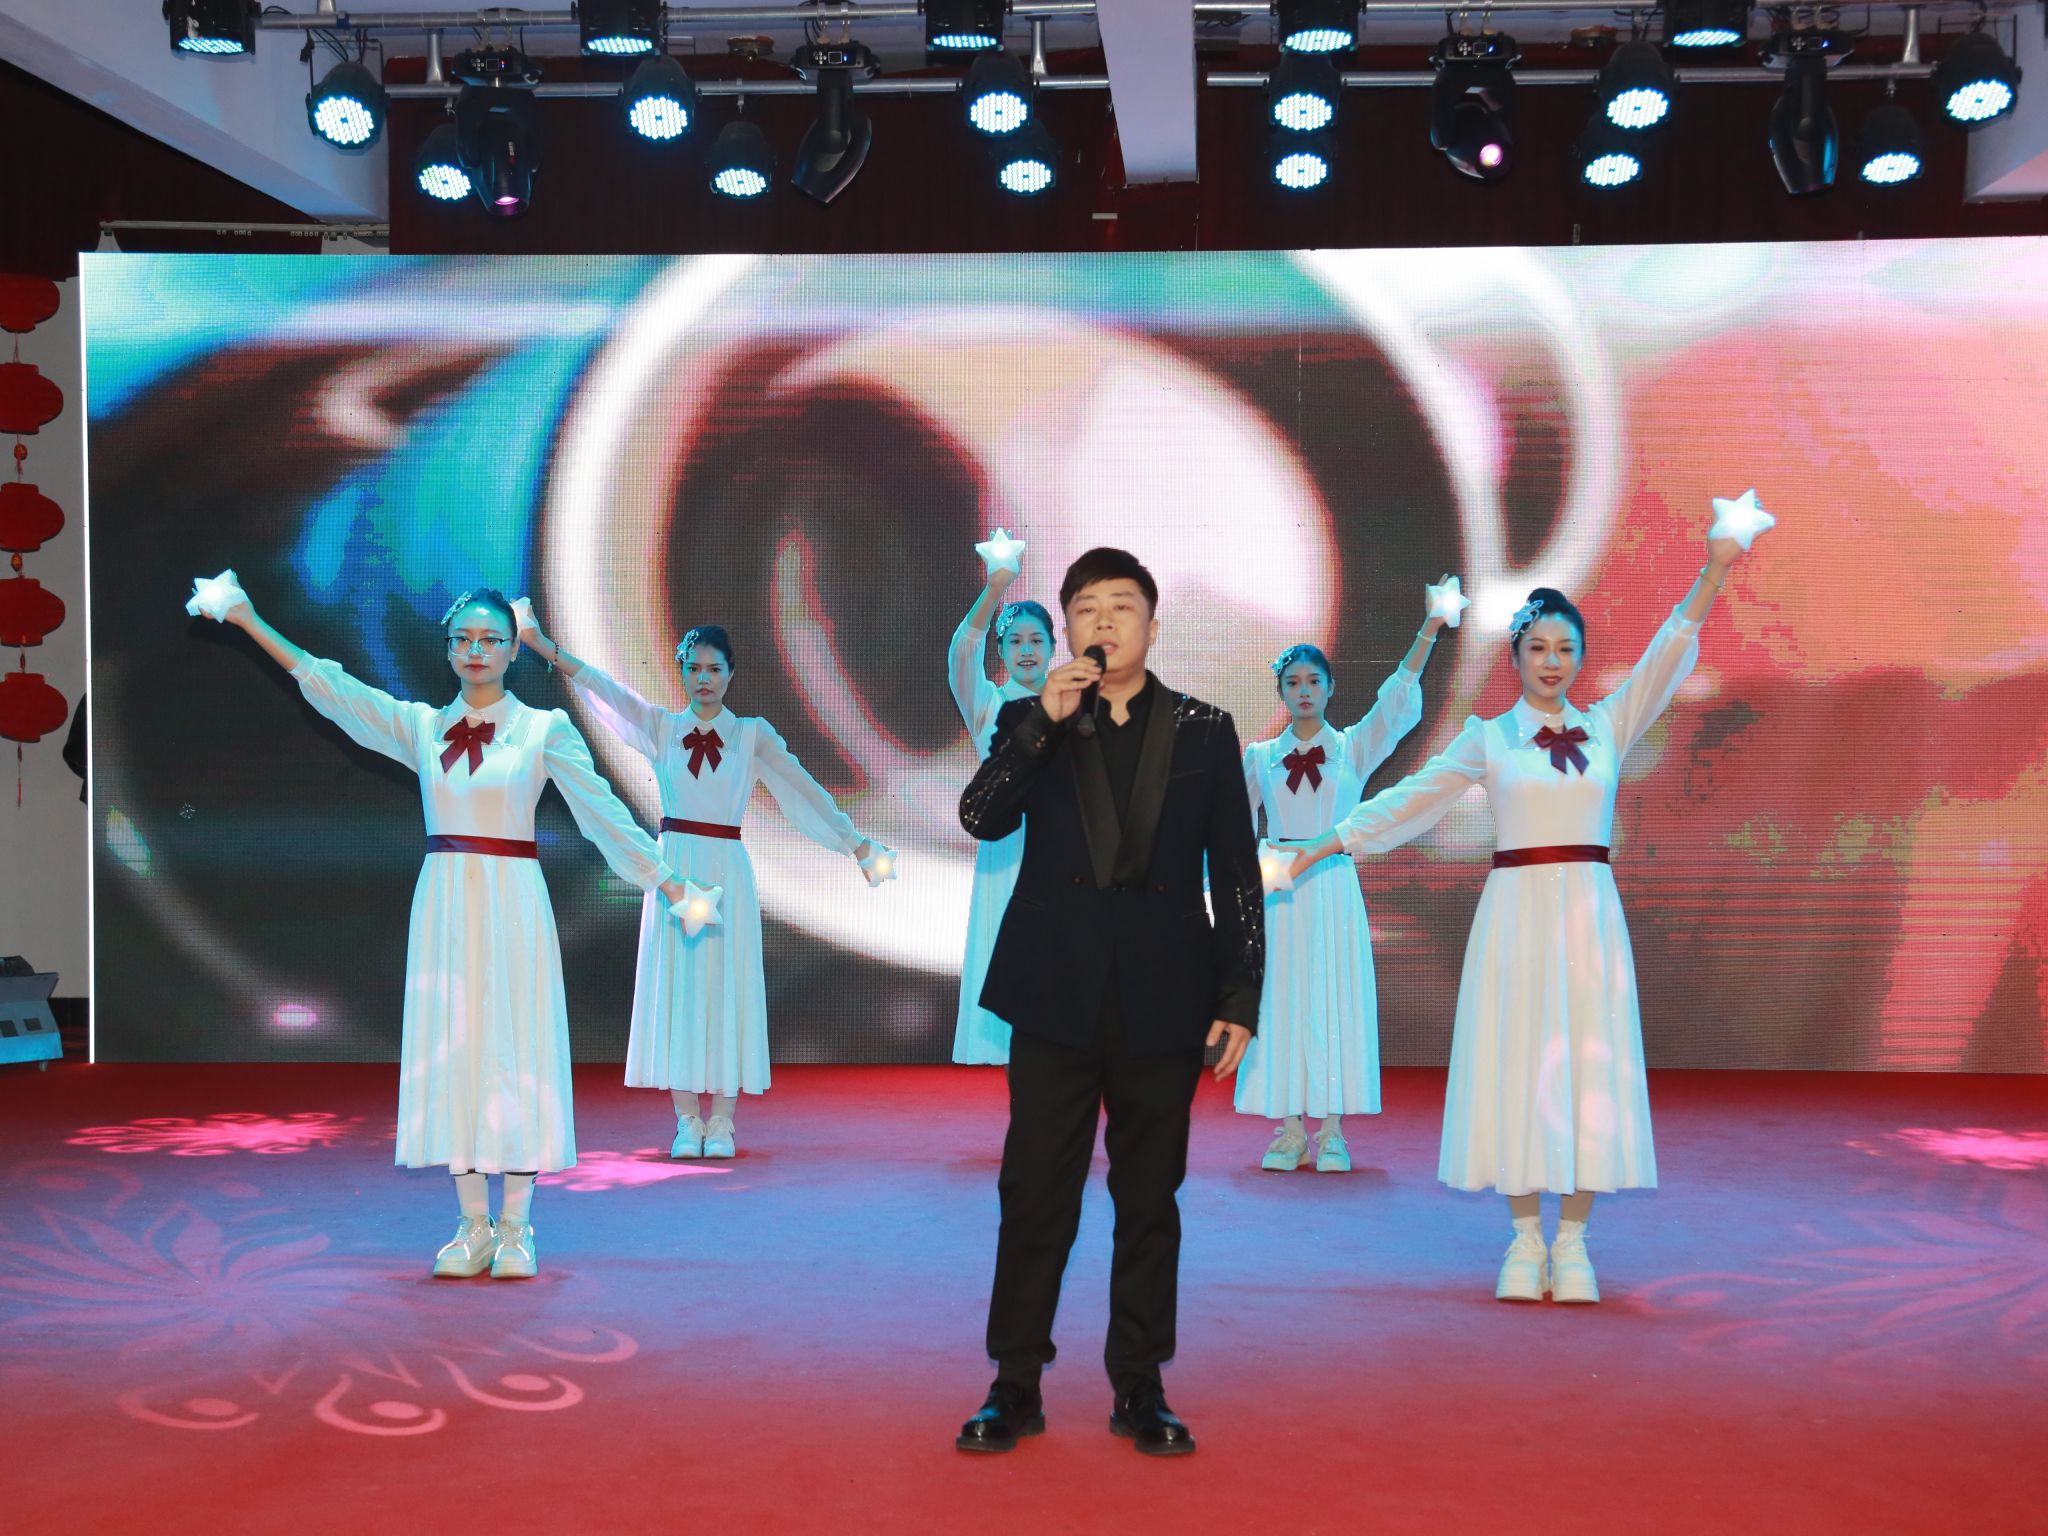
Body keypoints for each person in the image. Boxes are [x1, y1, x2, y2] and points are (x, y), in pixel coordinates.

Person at [1282, 523, 1753, 1303]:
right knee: (1520, 1070)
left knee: (1588, 1069)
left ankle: (1574, 1244)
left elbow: (1668, 653)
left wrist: (1713, 568)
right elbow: (1411, 800)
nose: (1552, 661)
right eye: (1538, 648)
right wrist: (1326, 844)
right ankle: (1525, 1238)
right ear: (1516, 657)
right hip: (1515, 917)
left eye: (1565, 648)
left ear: (1578, 657)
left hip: (1588, 917)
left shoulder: (1609, 725)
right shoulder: (1489, 738)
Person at [194, 580, 688, 1280]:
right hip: (446, 902)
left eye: (491, 639)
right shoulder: (423, 727)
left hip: (512, 899)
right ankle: (472, 1224)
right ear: (449, 649)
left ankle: (517, 1226)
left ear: (513, 650)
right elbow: (335, 690)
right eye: (464, 639)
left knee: (516, 1050)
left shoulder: (544, 729)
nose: (477, 650)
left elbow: (603, 812)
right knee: (454, 1049)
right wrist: (248, 618)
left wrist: (669, 882)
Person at [953, 547, 1263, 1458]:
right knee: (1034, 1193)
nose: (1103, 623)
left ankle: (1140, 1385)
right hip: (1055, 995)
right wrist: (1039, 731)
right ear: (1067, 628)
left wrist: (1240, 993)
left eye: (1122, 607)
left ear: (1153, 627)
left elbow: (1236, 873)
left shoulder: (1205, 730)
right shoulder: (1031, 718)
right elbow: (979, 817)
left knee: (1149, 1198)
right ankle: (1014, 1384)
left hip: (1165, 996)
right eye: (1086, 608)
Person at [517, 613, 884, 1159]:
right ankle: (687, 1120)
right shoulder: (662, 728)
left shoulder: (752, 735)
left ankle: (724, 1122)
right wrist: (543, 646)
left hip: (727, 870)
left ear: (730, 673)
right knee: (680, 990)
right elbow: (603, 688)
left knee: (727, 990)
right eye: (693, 669)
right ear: (682, 672)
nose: (704, 678)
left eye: (713, 669)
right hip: (676, 869)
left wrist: (854, 842)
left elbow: (803, 790)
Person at [1237, 586, 1448, 1172]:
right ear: (1281, 692)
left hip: (1332, 884)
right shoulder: (1259, 757)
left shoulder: (1353, 748)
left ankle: (1331, 1131)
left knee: (1334, 997)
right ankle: (1287, 1131)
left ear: (1330, 688)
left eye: (1314, 681)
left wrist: (1430, 628)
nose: (1304, 691)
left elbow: (1396, 703)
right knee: (1281, 999)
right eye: (1293, 683)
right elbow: (1229, 826)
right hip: (1280, 891)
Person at [946, 549, 1051, 1066]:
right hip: (1007, 852)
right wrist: (994, 590)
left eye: (1036, 640)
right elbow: (962, 653)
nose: (1026, 651)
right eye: (1014, 641)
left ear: (1053, 646)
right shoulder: (987, 704)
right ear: (1002, 650)